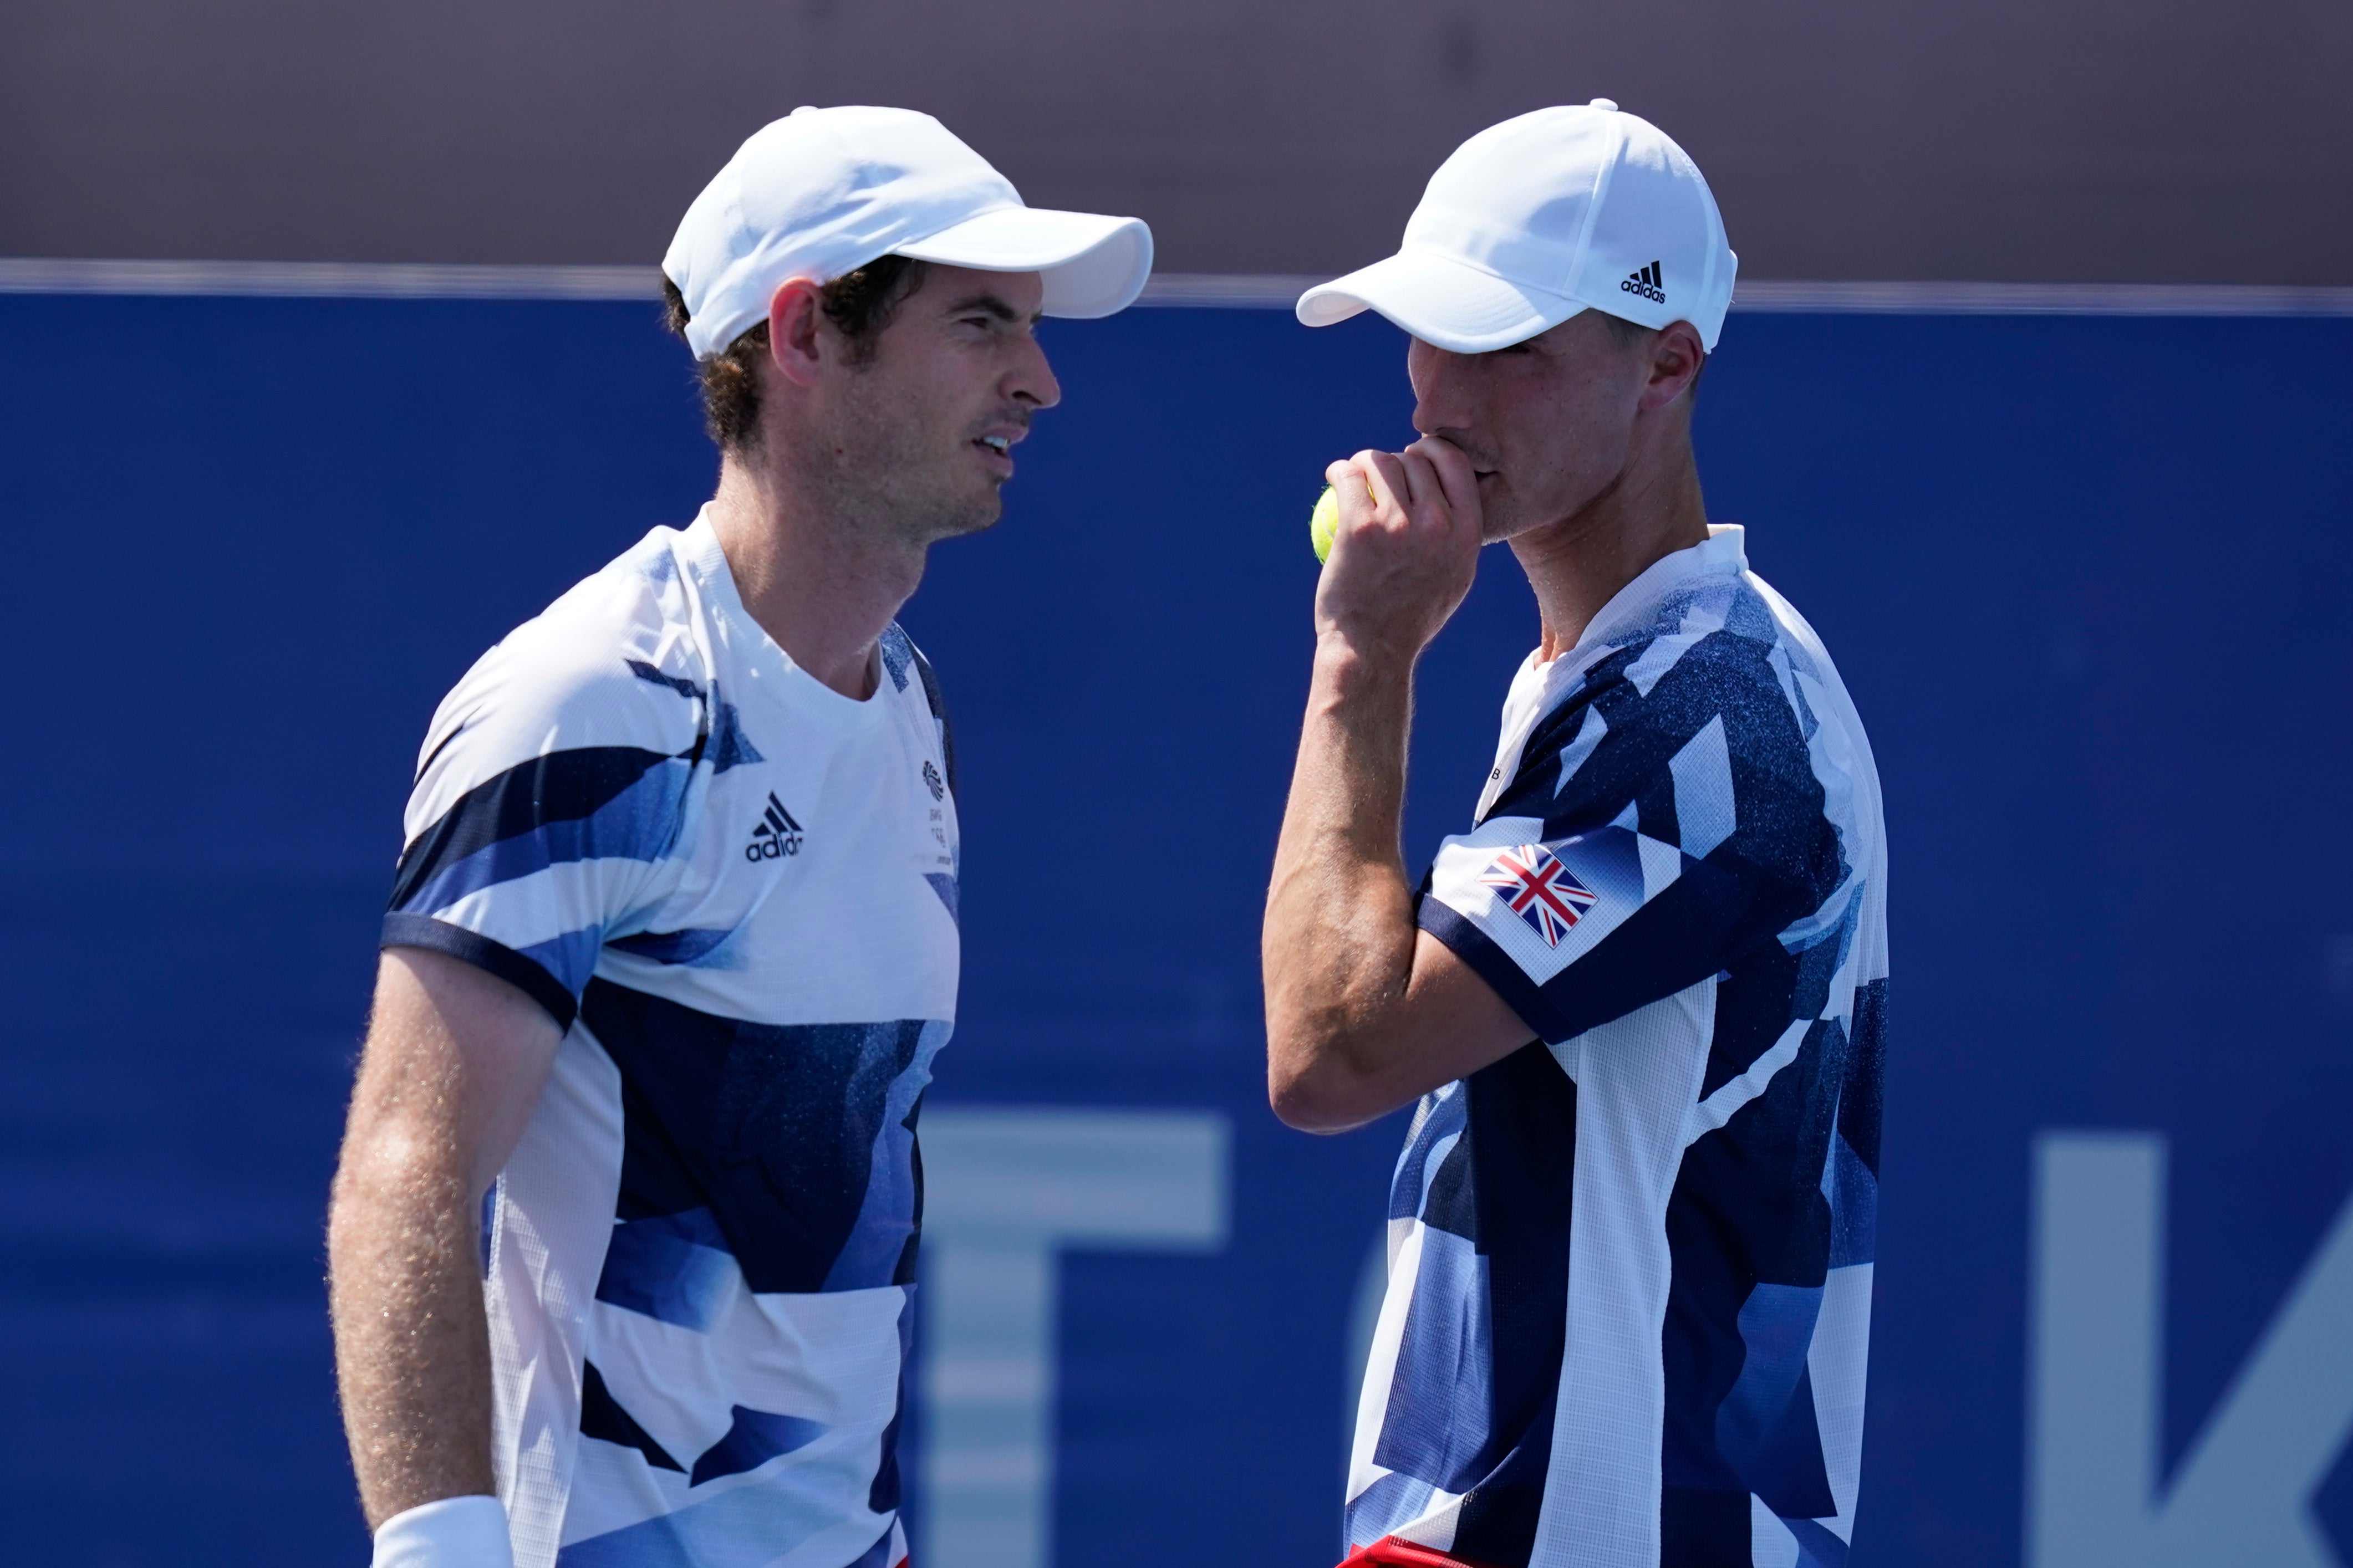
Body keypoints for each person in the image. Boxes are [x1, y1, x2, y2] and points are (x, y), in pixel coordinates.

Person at [327, 106, 1151, 1568]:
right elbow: (409, 1166)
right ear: (804, 337)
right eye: (979, 324)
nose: (1040, 380)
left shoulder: (905, 705)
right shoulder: (598, 707)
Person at [1262, 102, 1888, 1568]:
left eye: (1511, 351)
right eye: (1429, 333)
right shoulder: (1624, 675)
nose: (1440, 398)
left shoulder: (1703, 718)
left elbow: (1331, 1052)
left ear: (1667, 365)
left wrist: (1360, 657)